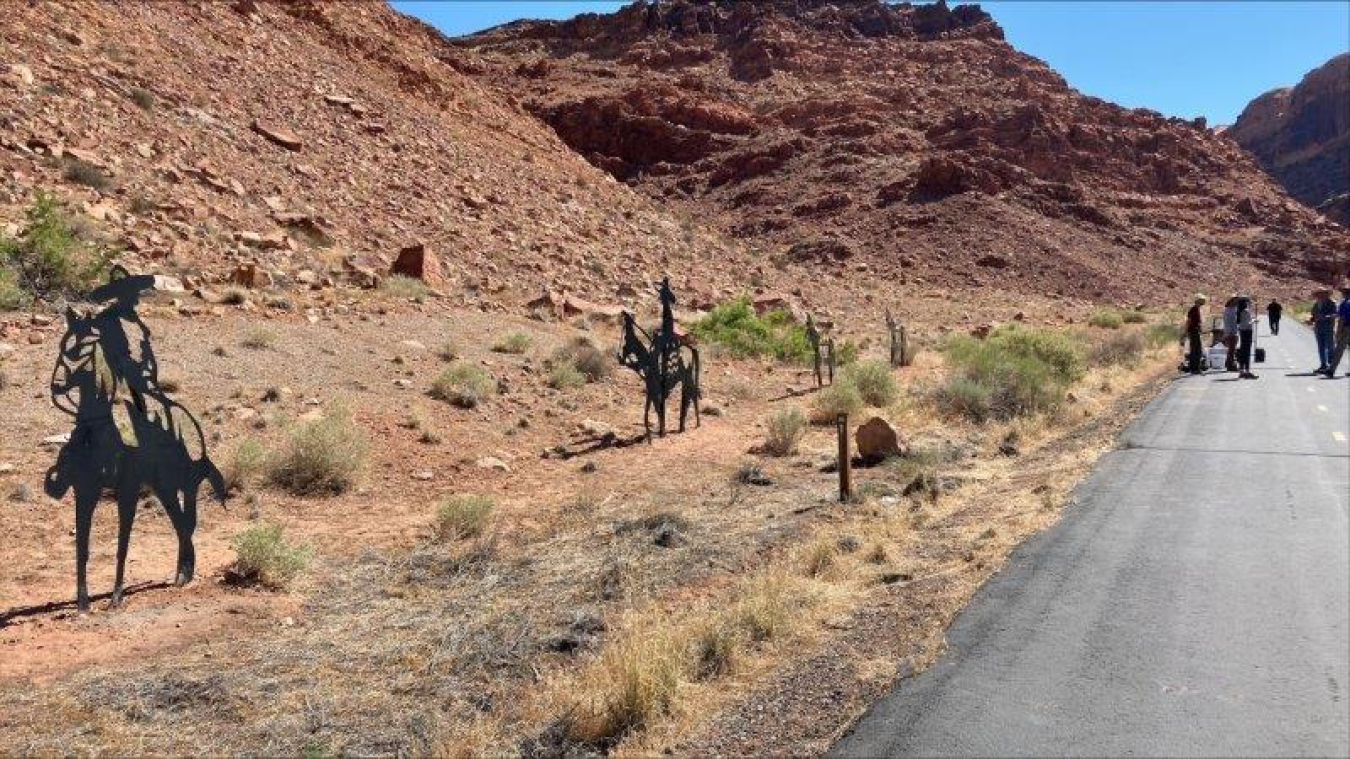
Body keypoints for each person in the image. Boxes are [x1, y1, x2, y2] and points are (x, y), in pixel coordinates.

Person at [1321, 285, 1350, 377]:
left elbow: (1342, 318)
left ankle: (1331, 370)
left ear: (1345, 293)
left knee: (1339, 350)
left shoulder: (1345, 303)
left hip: (1347, 328)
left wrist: (1338, 332)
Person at [1311, 288, 1338, 373]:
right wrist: (1311, 320)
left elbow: (1335, 314)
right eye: (1318, 294)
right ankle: (1323, 365)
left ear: (1326, 294)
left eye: (1321, 293)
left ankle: (1331, 365)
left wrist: (1325, 317)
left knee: (1330, 346)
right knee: (1321, 347)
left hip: (1328, 327)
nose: (1319, 295)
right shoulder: (1316, 304)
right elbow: (1314, 315)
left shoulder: (1332, 303)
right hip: (1318, 328)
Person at [1236, 295, 1258, 379]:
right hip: (1247, 332)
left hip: (1242, 332)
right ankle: (1247, 371)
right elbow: (1247, 323)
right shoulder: (1245, 311)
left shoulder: (1240, 311)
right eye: (1248, 302)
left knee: (1243, 351)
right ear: (1245, 303)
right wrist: (1254, 320)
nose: (1249, 303)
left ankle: (1242, 371)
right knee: (1247, 352)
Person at [1185, 294, 1206, 374]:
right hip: (1193, 331)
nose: (1203, 303)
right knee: (1195, 350)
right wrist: (1186, 331)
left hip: (1196, 331)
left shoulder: (1197, 309)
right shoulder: (1193, 309)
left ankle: (1196, 368)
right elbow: (1189, 321)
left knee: (1197, 349)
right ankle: (1194, 368)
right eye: (1201, 301)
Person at [1221, 296, 1239, 372]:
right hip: (1231, 333)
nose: (1237, 303)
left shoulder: (1232, 309)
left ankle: (1230, 364)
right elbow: (1228, 323)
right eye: (1236, 302)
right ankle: (1230, 366)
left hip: (1233, 332)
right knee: (1231, 350)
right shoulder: (1228, 310)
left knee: (1232, 350)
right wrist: (1228, 333)